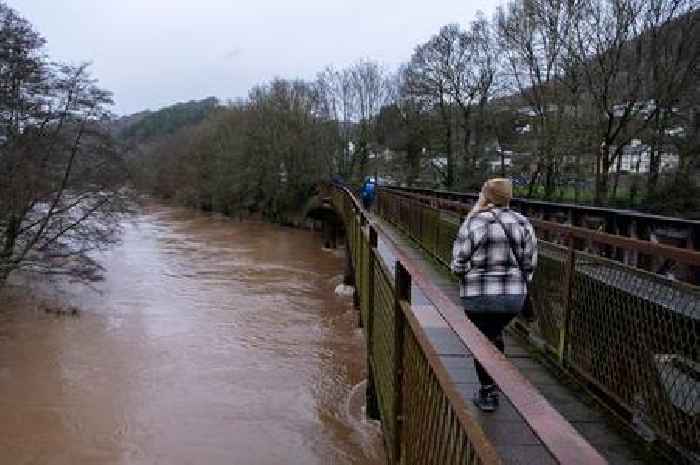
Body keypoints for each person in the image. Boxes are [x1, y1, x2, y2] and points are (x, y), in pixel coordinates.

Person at [450, 178, 537, 412]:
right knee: (493, 334)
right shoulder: (523, 222)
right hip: (512, 299)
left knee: (484, 340)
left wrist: (470, 276)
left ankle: (489, 394)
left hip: (478, 297)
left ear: (486, 196)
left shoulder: (474, 222)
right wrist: (515, 284)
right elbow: (529, 266)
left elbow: (457, 265)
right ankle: (492, 385)